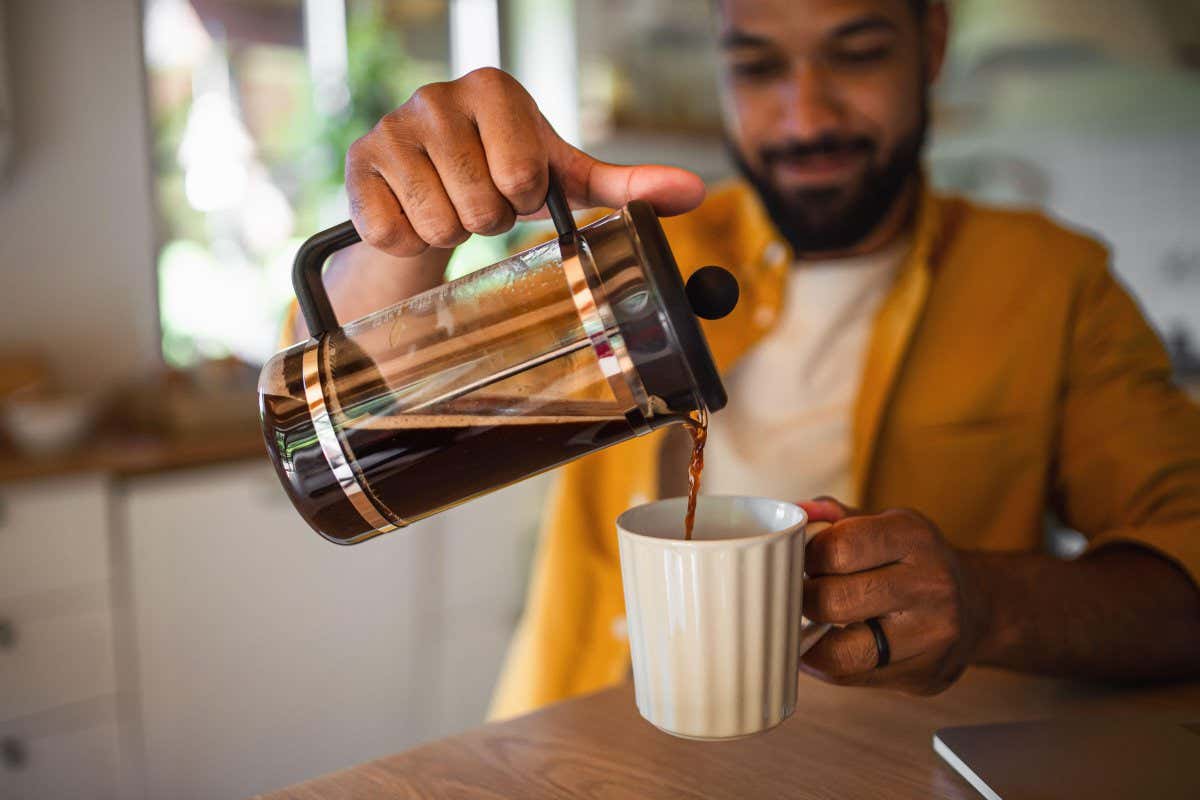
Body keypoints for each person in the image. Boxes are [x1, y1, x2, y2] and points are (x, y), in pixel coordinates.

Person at [295, 0, 1200, 718]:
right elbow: (352, 416)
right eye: (759, 67)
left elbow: (1186, 577)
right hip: (567, 753)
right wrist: (401, 241)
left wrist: (987, 601)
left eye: (856, 54)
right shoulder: (627, 259)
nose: (806, 114)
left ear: (930, 44)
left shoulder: (1051, 283)